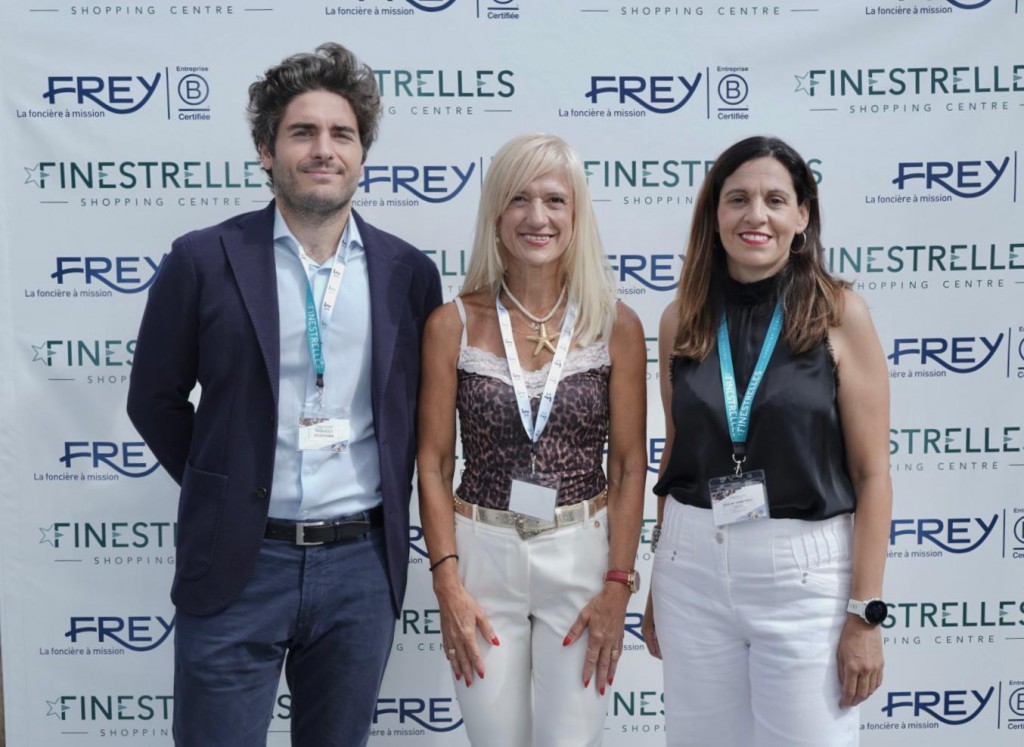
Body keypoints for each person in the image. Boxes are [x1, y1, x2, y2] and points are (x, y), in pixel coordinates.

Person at [126, 43, 442, 746]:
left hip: (361, 568)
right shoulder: (203, 260)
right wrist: (234, 487)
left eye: (342, 134)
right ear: (266, 149)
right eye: (303, 132)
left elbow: (413, 418)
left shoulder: (408, 274)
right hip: (239, 562)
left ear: (362, 153)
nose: (323, 149)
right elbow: (154, 397)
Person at [642, 135, 892, 746]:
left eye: (775, 199)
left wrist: (864, 614)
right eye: (738, 199)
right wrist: (658, 581)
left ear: (802, 215)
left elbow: (871, 476)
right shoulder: (681, 318)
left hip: (803, 580)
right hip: (691, 569)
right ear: (715, 214)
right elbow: (678, 458)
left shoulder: (840, 313)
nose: (756, 215)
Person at [416, 133, 647, 746]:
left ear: (577, 216)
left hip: (581, 556)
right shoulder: (452, 324)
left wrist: (618, 587)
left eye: (554, 200)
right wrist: (447, 584)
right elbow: (434, 464)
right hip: (481, 557)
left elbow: (628, 465)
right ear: (496, 213)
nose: (537, 217)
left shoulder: (615, 324)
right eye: (519, 199)